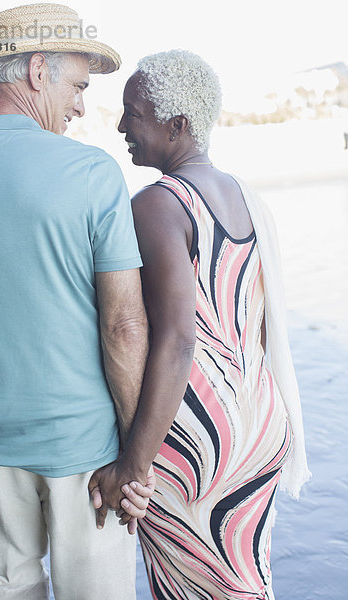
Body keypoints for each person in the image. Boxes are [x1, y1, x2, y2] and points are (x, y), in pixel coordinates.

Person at [0, 4, 152, 599]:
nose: (83, 106)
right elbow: (123, 325)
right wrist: (134, 457)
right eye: (79, 86)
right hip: (83, 450)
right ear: (39, 70)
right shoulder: (91, 171)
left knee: (4, 590)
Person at [110, 49, 312, 600]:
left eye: (133, 111)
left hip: (197, 435)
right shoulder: (244, 195)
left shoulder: (158, 205)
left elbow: (177, 341)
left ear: (177, 125)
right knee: (243, 584)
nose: (121, 124)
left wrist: (132, 463)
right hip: (262, 424)